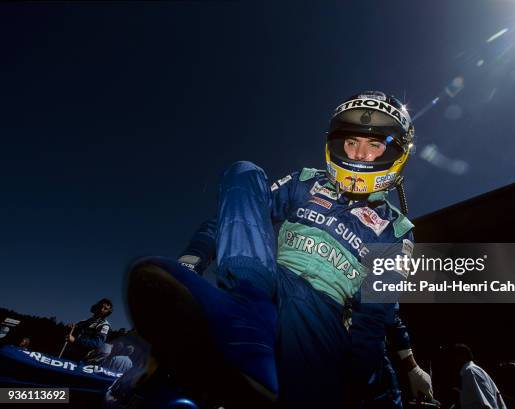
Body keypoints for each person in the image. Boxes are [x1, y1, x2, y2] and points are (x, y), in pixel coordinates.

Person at [128, 91, 417, 408]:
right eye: (352, 142)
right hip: (263, 284)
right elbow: (237, 214)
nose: (360, 154)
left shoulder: (396, 229)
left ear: (395, 152)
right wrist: (190, 262)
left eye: (374, 145)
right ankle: (226, 336)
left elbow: (375, 317)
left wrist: (354, 379)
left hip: (321, 316)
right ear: (336, 144)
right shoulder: (306, 181)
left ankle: (248, 349)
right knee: (244, 171)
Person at [450, 343, 507, 409]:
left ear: (462, 356)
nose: (451, 360)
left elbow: (486, 402)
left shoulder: (470, 371)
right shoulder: (472, 370)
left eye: (453, 356)